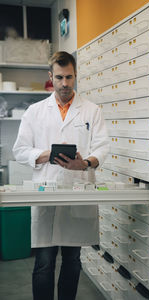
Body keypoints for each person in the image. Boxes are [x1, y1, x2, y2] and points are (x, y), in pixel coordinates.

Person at [13, 51, 109, 300]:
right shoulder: (35, 111)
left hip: (76, 192)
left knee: (73, 260)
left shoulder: (91, 111)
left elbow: (102, 148)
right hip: (46, 192)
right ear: (50, 77)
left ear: (76, 75)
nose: (64, 83)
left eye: (69, 77)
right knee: (44, 262)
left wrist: (85, 163)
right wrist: (45, 155)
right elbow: (20, 150)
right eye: (59, 77)